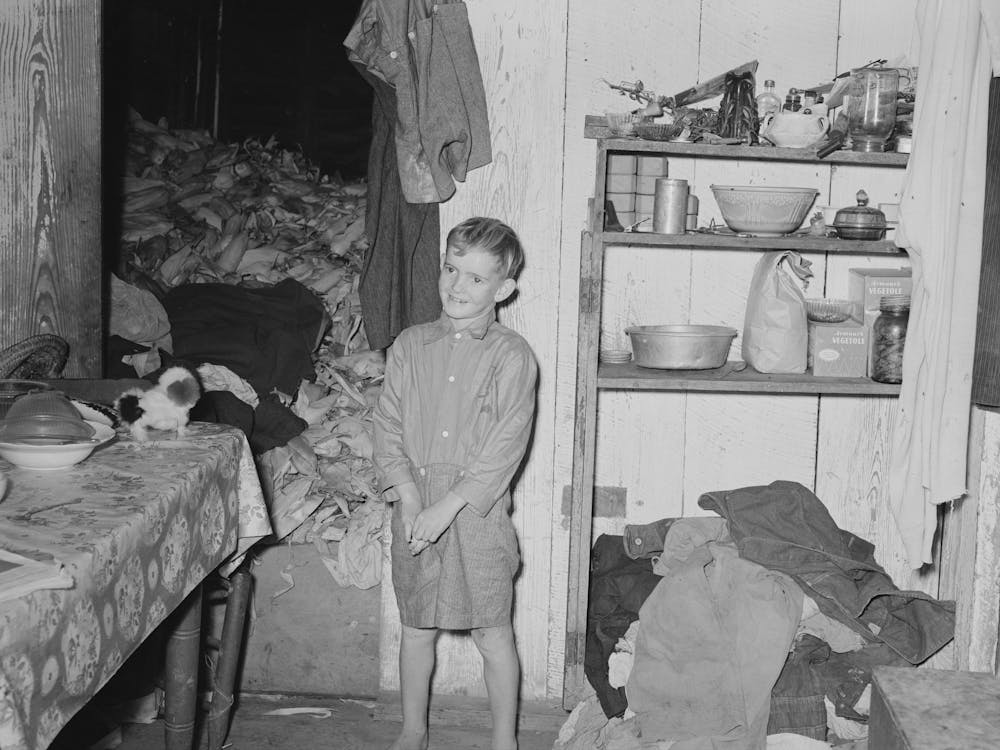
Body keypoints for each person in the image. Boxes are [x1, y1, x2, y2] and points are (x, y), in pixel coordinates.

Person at [373, 216, 538, 750]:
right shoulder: (410, 345)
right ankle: (412, 730)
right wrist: (409, 499)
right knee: (416, 628)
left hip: (477, 514)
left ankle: (503, 741)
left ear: (503, 289)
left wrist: (445, 507)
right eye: (451, 269)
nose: (456, 286)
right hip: (415, 506)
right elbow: (387, 425)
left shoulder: (511, 355)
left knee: (493, 632)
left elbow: (504, 446)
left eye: (475, 277)